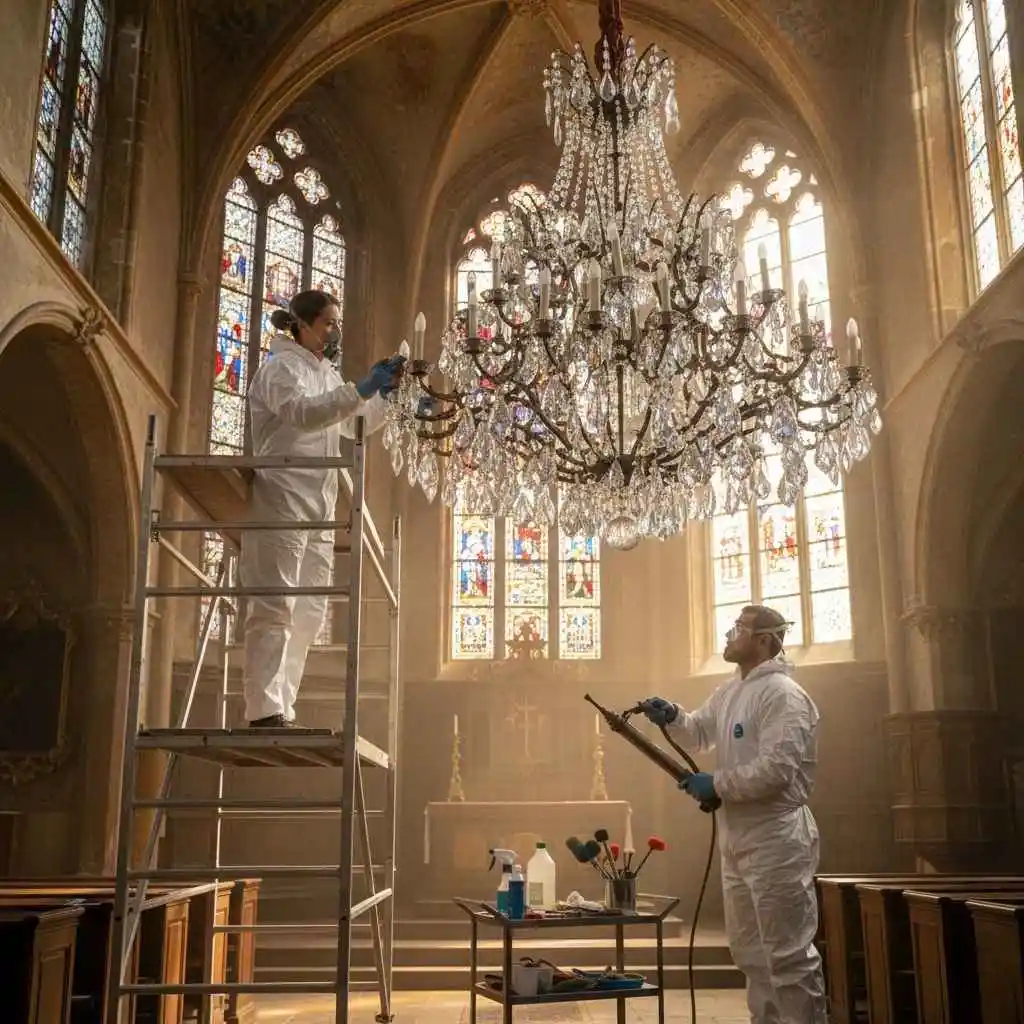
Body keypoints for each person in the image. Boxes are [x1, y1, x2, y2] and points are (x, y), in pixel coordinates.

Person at [638, 604, 826, 1024]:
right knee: (750, 953)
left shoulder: (783, 694)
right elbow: (698, 732)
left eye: (738, 629)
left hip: (776, 837)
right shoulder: (731, 690)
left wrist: (717, 784)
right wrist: (674, 716)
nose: (729, 635)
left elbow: (777, 770)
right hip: (736, 836)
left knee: (788, 955)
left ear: (764, 640)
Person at [240, 289, 404, 729]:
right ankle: (263, 709)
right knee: (276, 603)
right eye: (328, 323)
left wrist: (386, 398)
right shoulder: (279, 368)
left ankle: (283, 705)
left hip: (320, 501)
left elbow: (354, 423)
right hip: (282, 495)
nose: (334, 331)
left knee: (310, 610)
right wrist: (360, 388)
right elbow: (304, 414)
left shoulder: (325, 373)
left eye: (336, 323)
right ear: (301, 324)